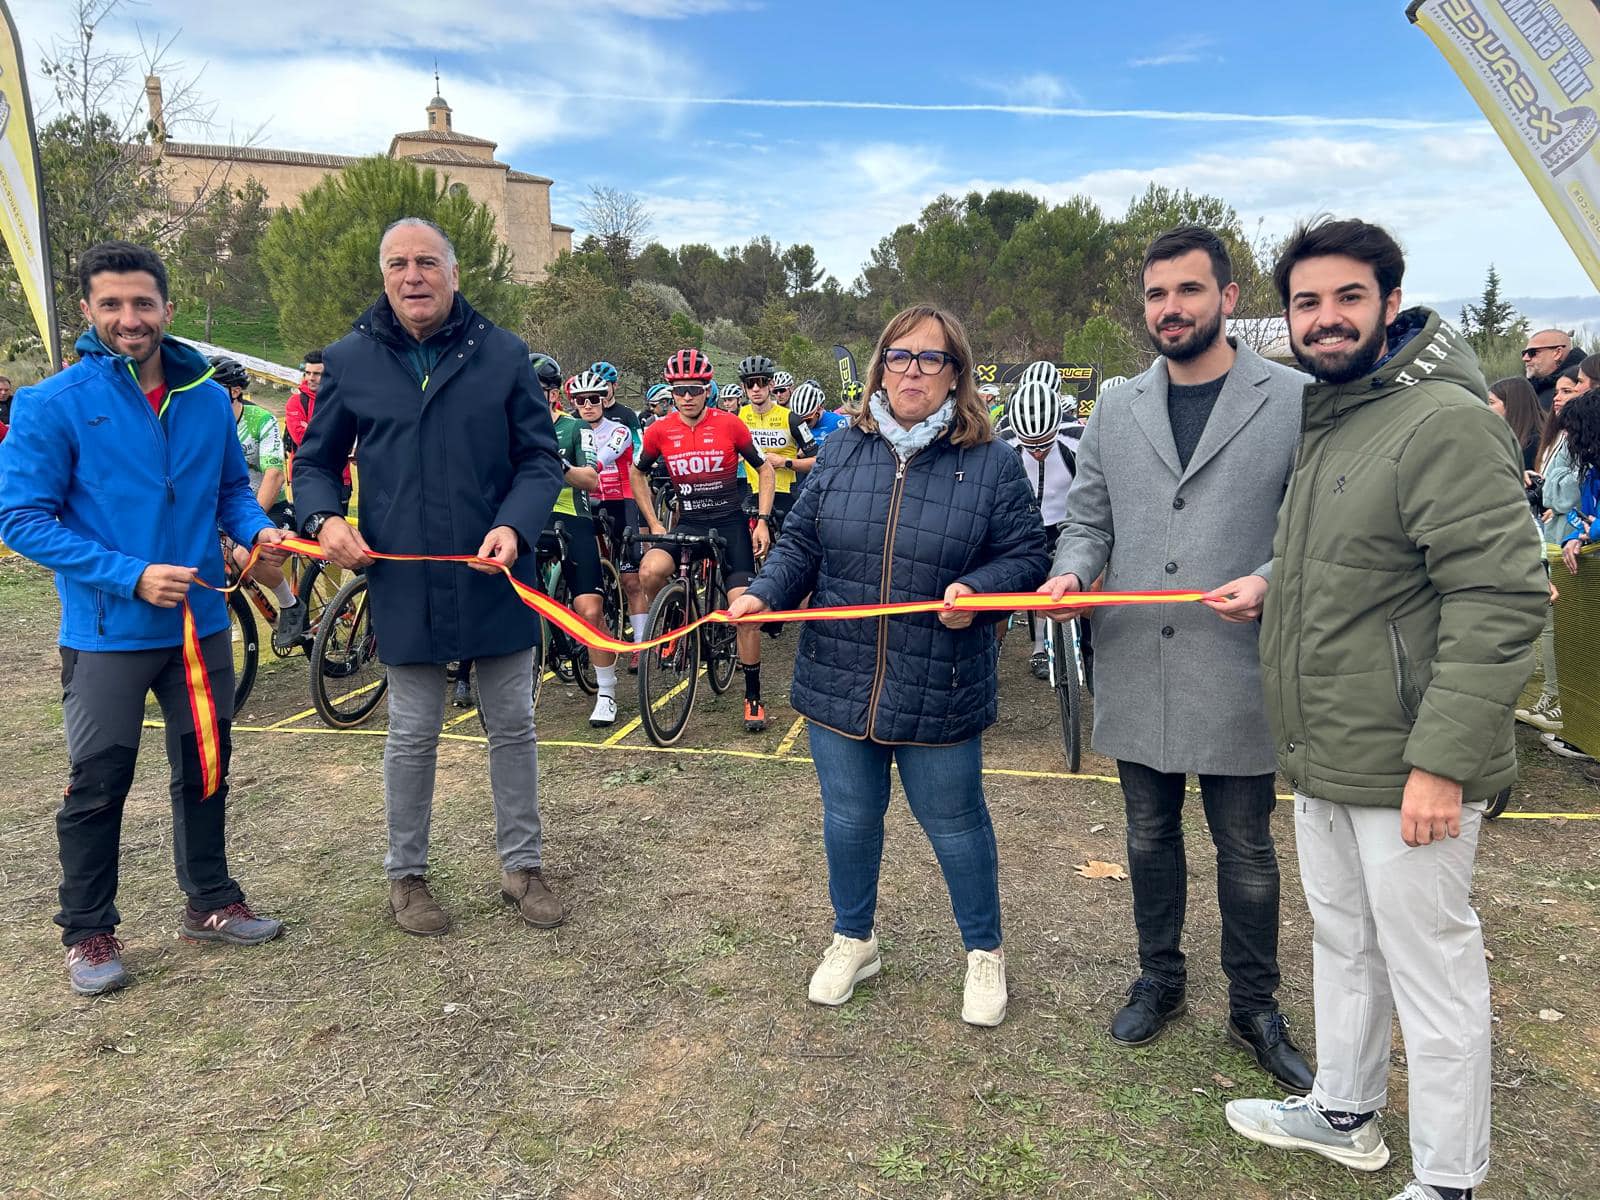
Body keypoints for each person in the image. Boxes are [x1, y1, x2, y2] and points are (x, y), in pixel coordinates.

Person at [1225, 217, 1546, 1200]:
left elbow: (1499, 596)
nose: (1324, 320)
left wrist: (1443, 760)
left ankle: (1448, 1180)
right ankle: (1343, 1111)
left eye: (1347, 298)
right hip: (1329, 749)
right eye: (1307, 302)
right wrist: (1274, 582)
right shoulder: (1338, 418)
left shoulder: (1442, 421)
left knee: (1432, 971)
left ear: (1390, 304)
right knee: (1342, 942)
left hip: (1410, 762)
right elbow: (1366, 563)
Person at [1038, 226, 1313, 1091]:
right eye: (1157, 295)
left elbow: (1317, 527)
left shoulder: (1294, 398)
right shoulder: (1117, 405)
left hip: (1237, 664)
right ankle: (1160, 979)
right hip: (1137, 660)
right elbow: (1089, 519)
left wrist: (1271, 578)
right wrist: (1070, 571)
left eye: (1189, 292)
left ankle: (1254, 1007)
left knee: (1247, 848)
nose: (1171, 309)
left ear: (1228, 299)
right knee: (1149, 835)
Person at [728, 303, 1048, 1027]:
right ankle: (854, 937)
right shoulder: (842, 451)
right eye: (899, 356)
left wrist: (986, 593)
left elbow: (1029, 555)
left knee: (956, 822)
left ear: (955, 373)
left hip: (941, 678)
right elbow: (800, 544)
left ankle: (983, 951)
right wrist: (764, 595)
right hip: (839, 676)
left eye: (930, 358)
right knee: (848, 818)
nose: (912, 370)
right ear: (880, 366)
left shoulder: (992, 464)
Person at [0, 240, 290, 995]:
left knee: (207, 770)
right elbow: (23, 519)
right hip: (108, 633)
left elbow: (230, 488)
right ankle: (89, 931)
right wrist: (127, 575)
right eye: (112, 305)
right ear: (91, 313)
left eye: (143, 303)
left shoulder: (204, 397)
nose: (130, 318)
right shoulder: (49, 403)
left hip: (199, 628)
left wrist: (255, 529)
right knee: (99, 780)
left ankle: (211, 901)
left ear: (165, 306)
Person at [293, 217, 566, 937]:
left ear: (453, 272)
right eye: (397, 264)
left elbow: (539, 460)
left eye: (426, 263)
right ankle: (406, 878)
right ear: (383, 277)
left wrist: (515, 523)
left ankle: (523, 867)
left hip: (496, 573)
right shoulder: (351, 360)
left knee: (514, 725)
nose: (412, 276)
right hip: (404, 580)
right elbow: (315, 462)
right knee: (412, 731)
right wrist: (324, 520)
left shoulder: (504, 354)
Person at [628, 349, 777, 732]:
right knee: (650, 571)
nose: (687, 396)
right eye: (679, 390)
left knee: (744, 612)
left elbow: (764, 470)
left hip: (729, 523)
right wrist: (654, 523)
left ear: (707, 389)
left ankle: (753, 696)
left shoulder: (730, 425)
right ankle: (680, 618)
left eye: (694, 389)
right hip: (689, 521)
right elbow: (637, 473)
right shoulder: (660, 430)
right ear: (672, 392)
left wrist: (760, 521)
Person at [210, 355, 306, 648]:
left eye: (212, 386)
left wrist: (248, 524)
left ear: (234, 390)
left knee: (242, 555)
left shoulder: (260, 420)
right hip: (224, 513)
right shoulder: (206, 424)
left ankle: (291, 605)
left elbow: (275, 474)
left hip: (270, 508)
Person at [1517, 366, 1585, 734]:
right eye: (1557, 390)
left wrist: (1551, 492)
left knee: (1561, 627)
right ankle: (1556, 698)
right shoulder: (1556, 436)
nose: (1557, 397)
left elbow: (1567, 491)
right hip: (1558, 535)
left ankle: (1561, 702)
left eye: (1569, 390)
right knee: (1554, 626)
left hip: (1567, 540)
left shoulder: (1577, 439)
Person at [554, 370, 623, 727]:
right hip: (529, 522)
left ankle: (607, 692)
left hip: (572, 518)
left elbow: (591, 477)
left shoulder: (573, 428)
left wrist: (559, 465)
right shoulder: (511, 426)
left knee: (589, 611)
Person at [1001, 380, 1081, 679]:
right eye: (1030, 445)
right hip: (1025, 523)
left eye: (1045, 443)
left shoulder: (1077, 440)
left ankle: (1088, 644)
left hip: (1066, 522)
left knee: (1075, 578)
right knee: (1035, 580)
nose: (1037, 452)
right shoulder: (1004, 444)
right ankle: (1037, 647)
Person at [1539, 391, 1600, 762]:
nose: (1571, 440)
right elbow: (1583, 512)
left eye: (1576, 431)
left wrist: (1592, 531)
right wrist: (1578, 534)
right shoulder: (1591, 469)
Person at [736, 361, 818, 529]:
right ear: (743, 388)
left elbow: (819, 461)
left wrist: (785, 462)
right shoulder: (739, 417)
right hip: (753, 493)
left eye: (762, 382)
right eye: (750, 384)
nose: (756, 389)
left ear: (771, 384)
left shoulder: (792, 418)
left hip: (785, 493)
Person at [1485, 376, 1542, 472]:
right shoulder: (1501, 437)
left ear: (1512, 405)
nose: (1486, 407)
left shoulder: (1533, 443)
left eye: (1491, 402)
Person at [1523, 328, 1583, 410]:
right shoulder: (1534, 388)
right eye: (1524, 353)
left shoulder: (1585, 382)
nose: (1525, 358)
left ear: (1558, 353)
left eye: (1532, 352)